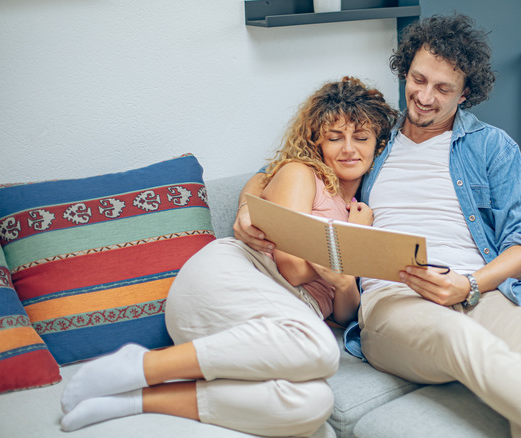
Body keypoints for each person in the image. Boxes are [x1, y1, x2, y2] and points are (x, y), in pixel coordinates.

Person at [237, 15, 521, 438]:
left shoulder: (491, 146)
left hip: (485, 291)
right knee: (463, 340)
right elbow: (285, 164)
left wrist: (469, 284)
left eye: (442, 89)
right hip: (396, 299)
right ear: (406, 71)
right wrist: (245, 207)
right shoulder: (375, 136)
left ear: (465, 93)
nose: (424, 97)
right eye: (418, 79)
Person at [58, 76, 399, 437]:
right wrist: (350, 240)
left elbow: (343, 313)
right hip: (228, 282)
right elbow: (292, 268)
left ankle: (135, 401)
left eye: (361, 138)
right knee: (320, 347)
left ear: (377, 145)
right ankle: (144, 364)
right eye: (335, 137)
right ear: (317, 142)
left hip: (270, 325)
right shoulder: (301, 174)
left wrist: (345, 280)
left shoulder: (362, 210)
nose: (349, 149)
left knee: (313, 403)